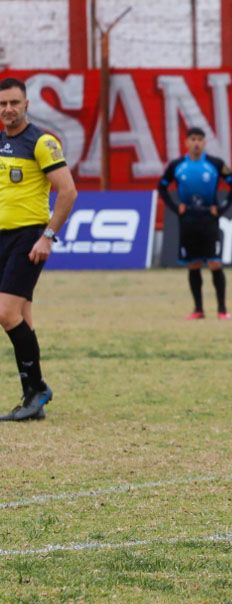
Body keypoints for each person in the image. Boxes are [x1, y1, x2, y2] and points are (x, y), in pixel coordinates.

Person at [0, 77, 77, 422]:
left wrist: (47, 236)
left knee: (5, 313)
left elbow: (68, 192)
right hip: (2, 237)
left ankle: (38, 390)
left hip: (27, 238)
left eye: (14, 103)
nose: (8, 110)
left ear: (26, 104)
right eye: (2, 104)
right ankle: (34, 397)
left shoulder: (42, 142)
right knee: (21, 317)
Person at [157, 127, 232, 320]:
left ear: (204, 143)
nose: (196, 143)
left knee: (214, 263)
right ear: (186, 142)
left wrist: (221, 209)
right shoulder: (177, 166)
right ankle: (198, 309)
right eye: (193, 139)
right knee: (193, 265)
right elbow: (161, 187)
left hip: (208, 220)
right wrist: (175, 207)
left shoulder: (215, 164)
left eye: (200, 140)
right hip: (188, 221)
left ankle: (222, 310)